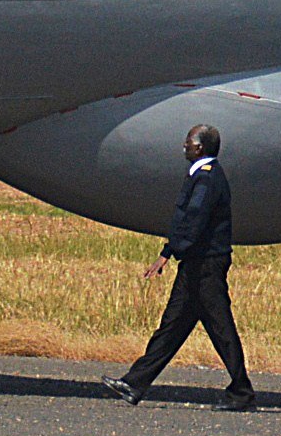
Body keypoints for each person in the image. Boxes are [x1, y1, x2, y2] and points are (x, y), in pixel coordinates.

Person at [101, 125, 254, 411]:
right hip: (197, 262)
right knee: (172, 326)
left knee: (221, 329)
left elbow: (194, 218)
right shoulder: (202, 175)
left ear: (200, 148)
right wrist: (172, 251)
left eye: (188, 142)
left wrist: (170, 252)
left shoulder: (206, 179)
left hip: (205, 264)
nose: (184, 146)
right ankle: (135, 383)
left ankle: (242, 392)